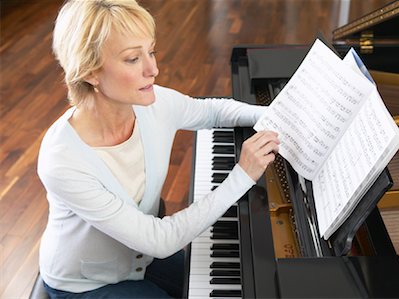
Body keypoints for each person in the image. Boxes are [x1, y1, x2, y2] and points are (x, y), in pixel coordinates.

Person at [37, 0, 279, 298]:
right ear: (90, 72)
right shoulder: (62, 160)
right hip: (86, 283)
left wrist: (272, 116)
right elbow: (160, 240)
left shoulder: (152, 103)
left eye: (151, 52)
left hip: (143, 258)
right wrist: (242, 175)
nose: (153, 69)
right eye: (132, 59)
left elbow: (212, 112)